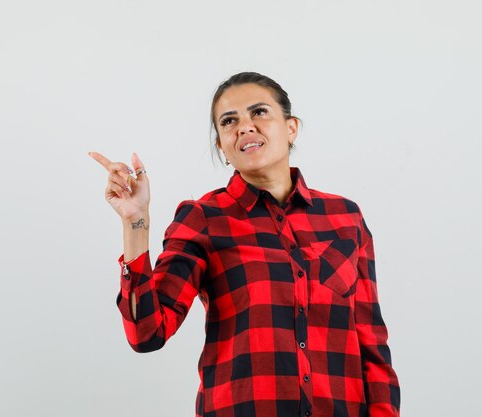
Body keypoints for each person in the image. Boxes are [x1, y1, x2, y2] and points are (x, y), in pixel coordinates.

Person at [88, 71, 401, 417]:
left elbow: (372, 345)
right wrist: (135, 222)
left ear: (291, 127)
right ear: (222, 146)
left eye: (260, 113)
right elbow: (146, 333)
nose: (245, 127)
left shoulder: (345, 218)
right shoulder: (203, 218)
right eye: (229, 121)